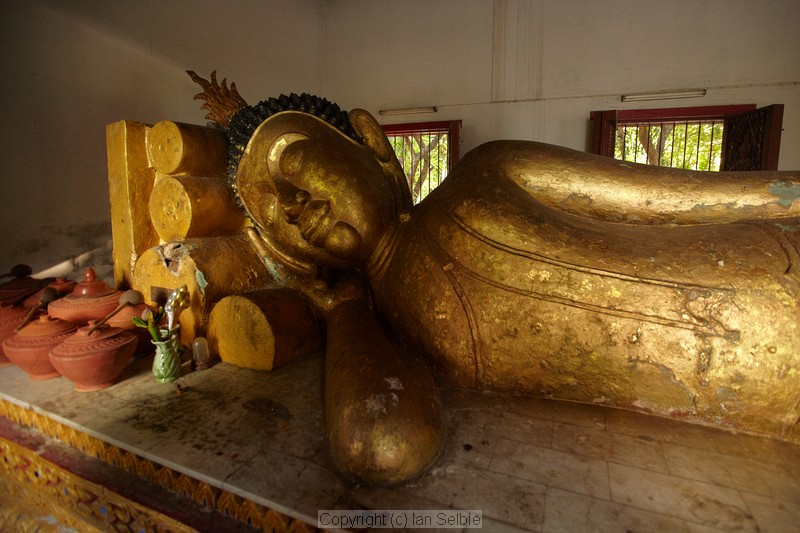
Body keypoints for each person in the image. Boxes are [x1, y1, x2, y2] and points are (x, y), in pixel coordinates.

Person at [231, 104, 800, 485]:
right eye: (275, 221)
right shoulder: (394, 333)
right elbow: (383, 445)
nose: (292, 206)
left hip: (773, 269)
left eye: (295, 163)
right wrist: (345, 310)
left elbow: (696, 197)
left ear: (374, 146)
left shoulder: (487, 172)